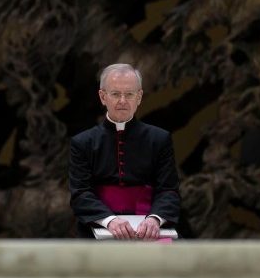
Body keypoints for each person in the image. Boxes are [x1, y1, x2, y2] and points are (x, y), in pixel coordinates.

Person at [69, 63, 180, 240]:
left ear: (139, 97)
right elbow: (81, 194)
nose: (122, 101)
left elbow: (168, 190)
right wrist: (110, 220)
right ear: (103, 97)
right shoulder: (83, 143)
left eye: (129, 94)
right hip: (99, 227)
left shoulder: (159, 139)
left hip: (149, 230)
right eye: (115, 94)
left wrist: (154, 219)